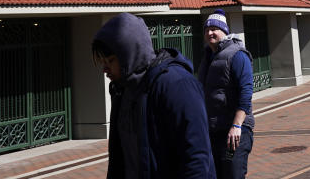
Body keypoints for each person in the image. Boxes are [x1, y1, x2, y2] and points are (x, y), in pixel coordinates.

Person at [92, 13, 215, 179]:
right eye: (102, 62)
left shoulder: (176, 84)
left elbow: (196, 157)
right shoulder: (122, 90)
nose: (105, 69)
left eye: (111, 61)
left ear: (130, 53)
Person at [197, 9, 254, 179]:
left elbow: (246, 91)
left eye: (214, 28)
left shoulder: (237, 55)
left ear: (225, 31)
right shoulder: (208, 57)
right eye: (207, 29)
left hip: (235, 132)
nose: (210, 33)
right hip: (214, 131)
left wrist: (236, 126)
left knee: (233, 174)